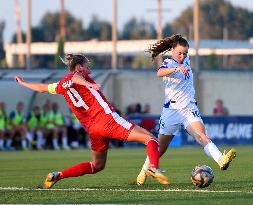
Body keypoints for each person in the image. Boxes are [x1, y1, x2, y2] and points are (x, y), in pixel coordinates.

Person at [14, 53, 170, 189]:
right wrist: (89, 84)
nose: (89, 70)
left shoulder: (61, 85)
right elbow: (76, 77)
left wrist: (23, 83)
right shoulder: (78, 76)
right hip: (107, 119)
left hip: (93, 129)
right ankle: (153, 168)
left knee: (97, 165)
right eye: (87, 67)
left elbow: (42, 87)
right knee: (151, 140)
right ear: (79, 67)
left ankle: (58, 175)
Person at [136, 34, 236, 186]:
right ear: (172, 50)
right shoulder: (168, 63)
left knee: (201, 136)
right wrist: (176, 68)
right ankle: (144, 170)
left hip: (189, 108)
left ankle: (220, 159)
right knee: (160, 148)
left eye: (185, 53)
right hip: (172, 111)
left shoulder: (186, 59)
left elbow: (181, 47)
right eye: (179, 53)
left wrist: (177, 42)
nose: (182, 56)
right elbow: (159, 73)